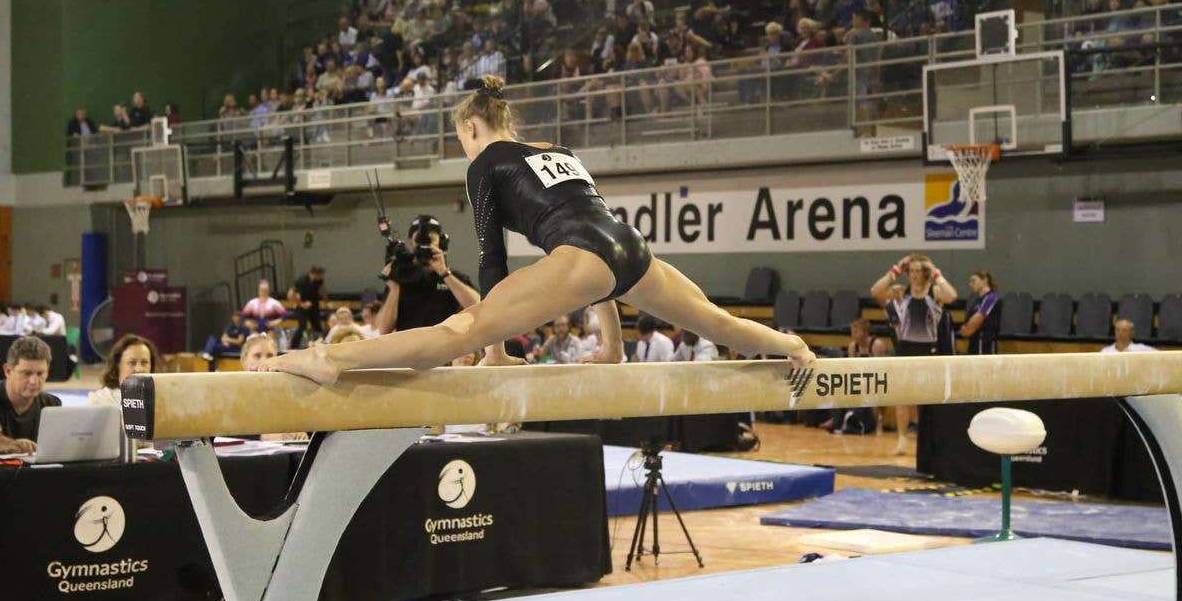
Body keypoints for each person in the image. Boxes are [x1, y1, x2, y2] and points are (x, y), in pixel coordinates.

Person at [260, 76, 811, 384]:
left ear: (471, 127)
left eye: (462, 140)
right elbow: (599, 263)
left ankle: (334, 359)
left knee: (460, 331)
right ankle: (792, 349)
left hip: (587, 256)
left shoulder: (485, 164)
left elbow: (491, 259)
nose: (465, 150)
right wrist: (613, 347)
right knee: (718, 322)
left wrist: (494, 349)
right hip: (629, 247)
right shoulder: (558, 151)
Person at [870, 255, 957, 455]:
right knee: (902, 397)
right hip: (905, 349)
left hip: (929, 350)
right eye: (912, 271)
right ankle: (902, 440)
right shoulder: (901, 292)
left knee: (927, 399)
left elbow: (951, 296)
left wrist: (936, 272)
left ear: (926, 272)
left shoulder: (934, 291)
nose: (915, 275)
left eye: (919, 271)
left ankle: (931, 440)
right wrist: (895, 270)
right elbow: (875, 291)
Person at [375, 215, 481, 334]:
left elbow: (478, 307)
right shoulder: (401, 279)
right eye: (419, 240)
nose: (424, 245)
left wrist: (445, 273)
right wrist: (394, 287)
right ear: (410, 242)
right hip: (410, 350)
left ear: (441, 242)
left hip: (446, 348)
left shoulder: (455, 278)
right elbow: (383, 329)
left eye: (430, 239)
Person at [240, 334, 308, 442]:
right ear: (244, 359)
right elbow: (223, 430)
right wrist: (263, 437)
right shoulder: (233, 394)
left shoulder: (289, 392)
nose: (264, 361)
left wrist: (300, 432)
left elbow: (306, 422)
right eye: (257, 355)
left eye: (270, 356)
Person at [89, 334, 159, 408]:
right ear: (117, 365)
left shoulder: (161, 398)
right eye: (132, 362)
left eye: (144, 362)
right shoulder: (101, 400)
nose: (139, 369)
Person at [960, 271, 1000, 355]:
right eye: (970, 282)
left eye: (973, 281)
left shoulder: (991, 298)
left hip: (984, 342)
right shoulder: (976, 300)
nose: (970, 284)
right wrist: (965, 328)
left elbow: (979, 318)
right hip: (974, 341)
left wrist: (968, 330)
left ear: (984, 280)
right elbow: (968, 319)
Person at [288, 266, 327, 347]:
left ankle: (318, 343)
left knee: (317, 326)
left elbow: (322, 290)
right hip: (302, 305)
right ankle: (293, 345)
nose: (322, 277)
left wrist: (324, 300)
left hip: (314, 305)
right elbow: (290, 295)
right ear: (314, 274)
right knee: (302, 326)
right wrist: (301, 304)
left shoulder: (319, 281)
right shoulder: (301, 280)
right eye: (321, 275)